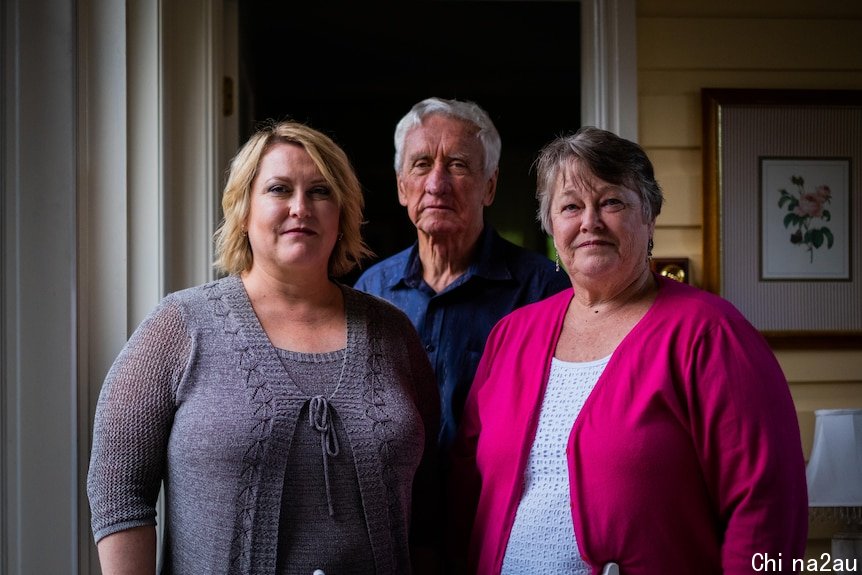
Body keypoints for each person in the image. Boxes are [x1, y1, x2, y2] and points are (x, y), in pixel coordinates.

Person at [448, 126, 808, 574]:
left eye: (612, 202)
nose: (590, 222)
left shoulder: (711, 334)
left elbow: (768, 506)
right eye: (571, 207)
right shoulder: (511, 336)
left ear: (649, 216)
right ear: (551, 225)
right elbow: (466, 493)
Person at [87, 120, 441, 574]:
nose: (301, 207)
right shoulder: (180, 325)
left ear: (342, 213)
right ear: (243, 210)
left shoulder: (393, 333)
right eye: (279, 189)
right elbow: (119, 490)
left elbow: (430, 496)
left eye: (320, 191)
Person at [354, 97, 569, 452]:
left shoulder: (545, 290)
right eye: (421, 164)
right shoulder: (371, 290)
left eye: (457, 165)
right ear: (401, 186)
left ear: (489, 186)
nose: (436, 184)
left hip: (494, 502)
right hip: (396, 504)